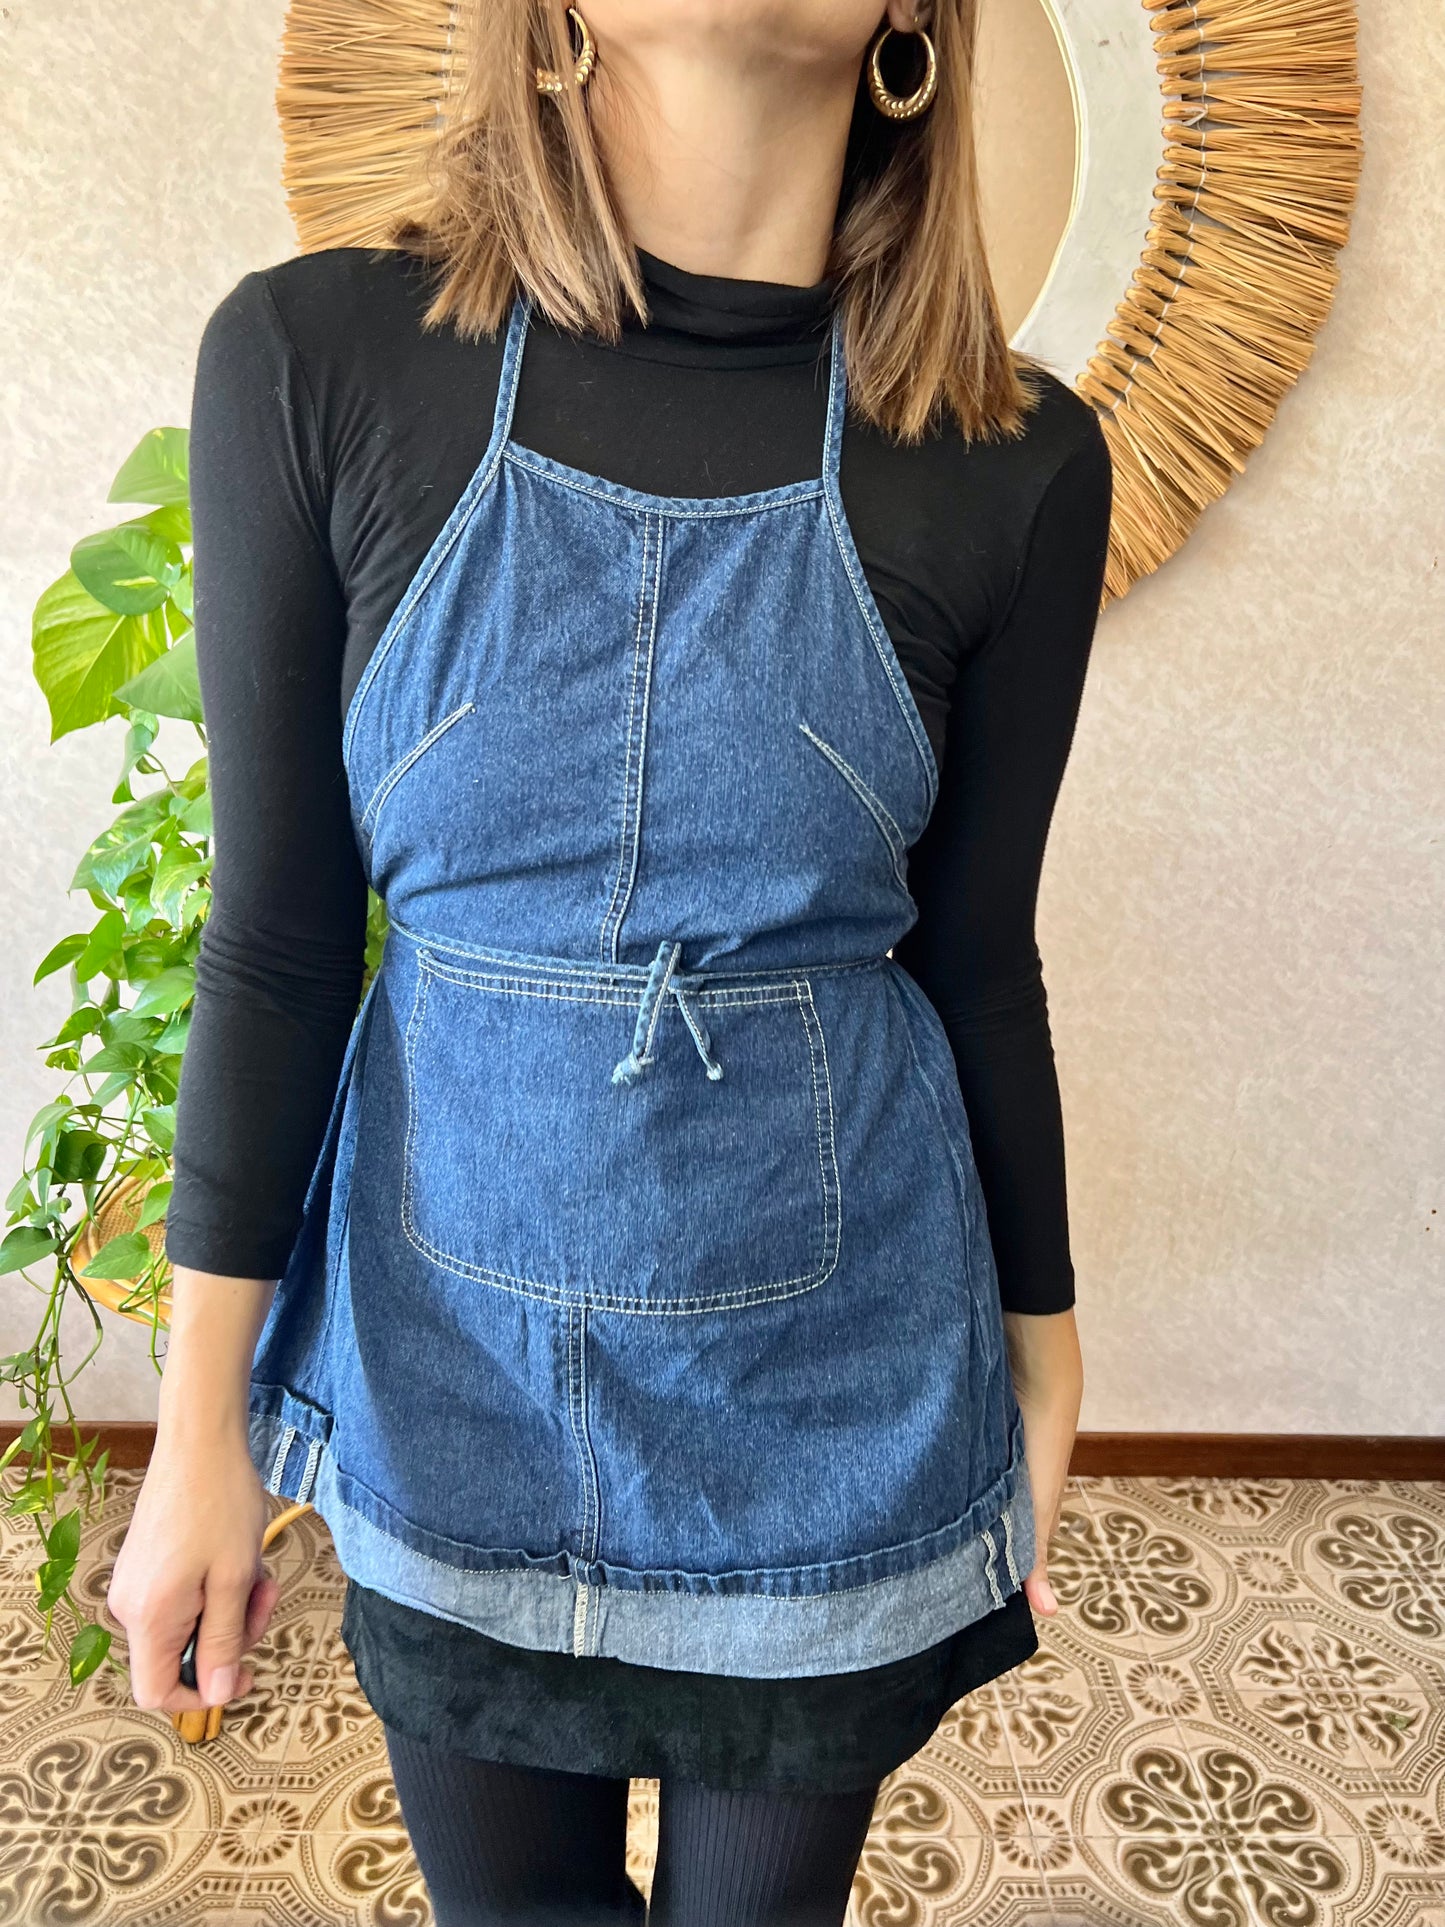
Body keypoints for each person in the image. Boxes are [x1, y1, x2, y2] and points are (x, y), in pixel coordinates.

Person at [107, 2, 1106, 1920]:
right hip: (443, 1371)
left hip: (838, 1391)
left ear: (913, 20)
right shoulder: (316, 360)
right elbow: (281, 942)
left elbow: (981, 963)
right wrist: (195, 1438)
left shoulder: (1013, 455)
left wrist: (1041, 1363)